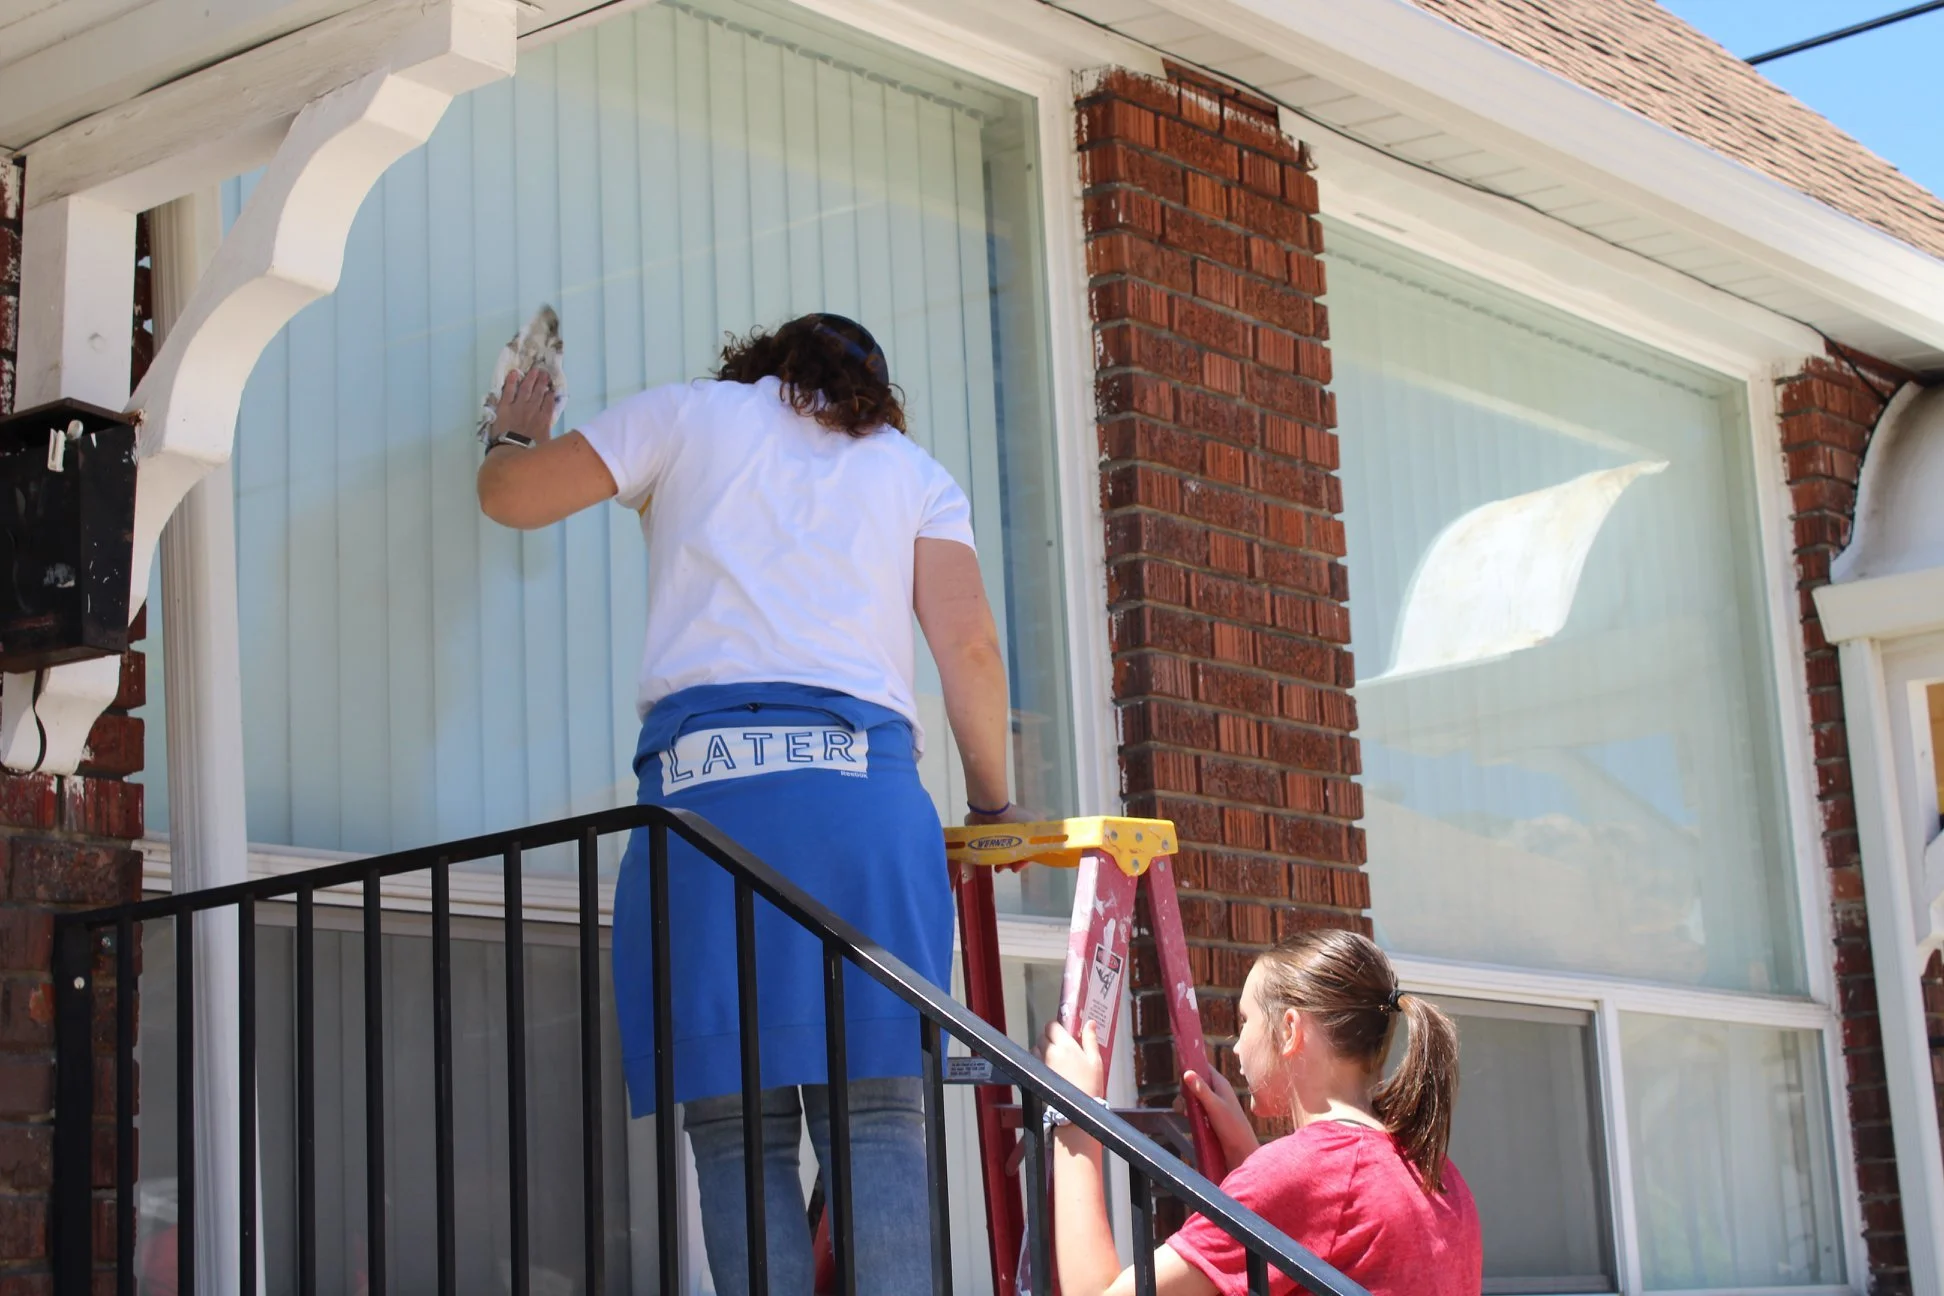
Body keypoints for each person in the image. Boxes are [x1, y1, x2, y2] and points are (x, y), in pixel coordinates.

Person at [477, 312, 1026, 1295]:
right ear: (874, 396)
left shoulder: (690, 417)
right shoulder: (911, 471)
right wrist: (993, 807)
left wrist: (511, 434)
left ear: (758, 367)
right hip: (864, 812)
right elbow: (971, 651)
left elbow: (511, 498)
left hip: (703, 813)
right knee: (879, 1130)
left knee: (736, 1139)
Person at [1042, 929, 1484, 1296]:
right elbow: (1323, 1231)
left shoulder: (1306, 1172)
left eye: (1244, 1021)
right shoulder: (1437, 1172)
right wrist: (1243, 1151)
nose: (1235, 1046)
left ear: (1290, 1029)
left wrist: (1073, 1114)